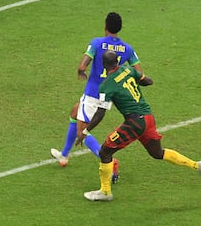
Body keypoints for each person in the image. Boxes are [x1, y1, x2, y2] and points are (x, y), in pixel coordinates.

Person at [76, 50, 201, 201]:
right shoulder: (128, 69)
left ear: (103, 64)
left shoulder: (106, 85)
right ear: (118, 61)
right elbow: (147, 81)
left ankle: (105, 192)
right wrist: (138, 79)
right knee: (157, 153)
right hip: (148, 118)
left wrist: (86, 130)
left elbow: (100, 113)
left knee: (105, 152)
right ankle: (196, 165)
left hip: (135, 122)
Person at [50, 12, 143, 182]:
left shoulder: (97, 43)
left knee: (82, 132)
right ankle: (64, 156)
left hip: (92, 93)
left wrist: (81, 70)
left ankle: (109, 161)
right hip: (108, 94)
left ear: (105, 26)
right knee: (74, 112)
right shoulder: (128, 49)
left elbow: (83, 64)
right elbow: (139, 73)